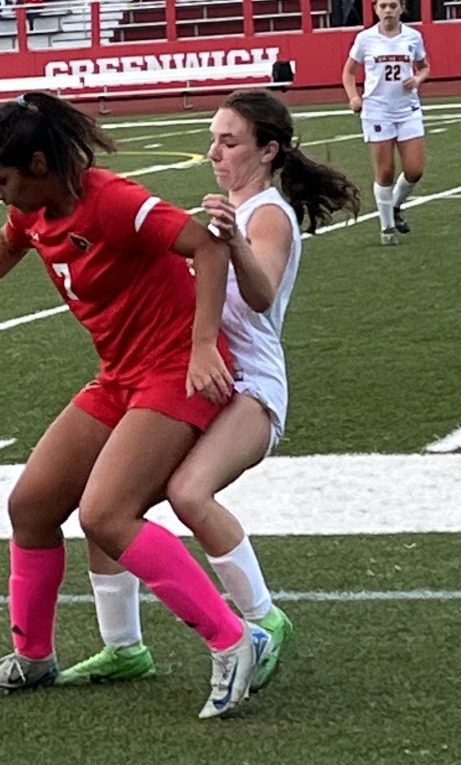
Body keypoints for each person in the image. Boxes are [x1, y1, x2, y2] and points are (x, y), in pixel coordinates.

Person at [0, 92, 272, 719]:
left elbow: (208, 247)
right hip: (120, 376)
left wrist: (201, 347)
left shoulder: (111, 200)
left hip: (173, 372)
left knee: (107, 515)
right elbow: (9, 241)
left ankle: (233, 639)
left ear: (38, 164)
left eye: (1, 181)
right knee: (31, 506)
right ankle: (33, 657)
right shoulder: (33, 207)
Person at [55, 90, 361, 691]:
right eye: (213, 139)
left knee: (189, 492)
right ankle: (122, 646)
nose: (214, 152)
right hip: (195, 375)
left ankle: (263, 620)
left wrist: (233, 242)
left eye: (229, 141)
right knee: (110, 504)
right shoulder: (227, 210)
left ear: (268, 151)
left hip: (250, 382)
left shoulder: (267, 214)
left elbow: (261, 296)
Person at [341, 0, 429, 246]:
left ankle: (396, 205)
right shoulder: (365, 39)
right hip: (377, 111)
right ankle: (387, 227)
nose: (388, 10)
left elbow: (424, 67)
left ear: (401, 8)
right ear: (375, 9)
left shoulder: (413, 36)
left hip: (408, 109)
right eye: (383, 6)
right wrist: (353, 97)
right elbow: (348, 72)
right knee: (386, 170)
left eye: (392, 5)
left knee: (415, 170)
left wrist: (418, 79)